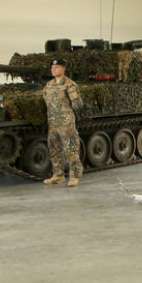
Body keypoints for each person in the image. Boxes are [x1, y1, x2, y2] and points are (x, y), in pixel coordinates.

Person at [42, 59, 85, 187]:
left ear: (63, 69)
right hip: (53, 123)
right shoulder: (49, 85)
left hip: (66, 123)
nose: (53, 69)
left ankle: (74, 176)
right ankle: (58, 175)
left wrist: (74, 98)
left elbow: (78, 105)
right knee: (54, 150)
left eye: (56, 67)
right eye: (52, 67)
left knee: (70, 150)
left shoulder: (70, 85)